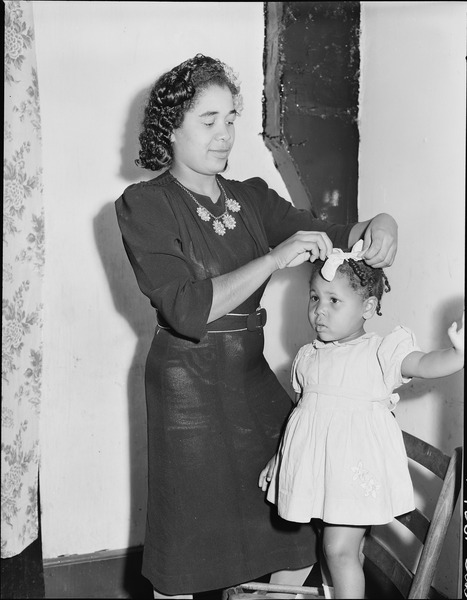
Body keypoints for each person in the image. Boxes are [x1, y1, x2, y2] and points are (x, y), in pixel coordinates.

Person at [115, 54, 400, 599]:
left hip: (249, 374)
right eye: (208, 121)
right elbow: (186, 307)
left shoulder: (249, 197)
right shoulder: (144, 204)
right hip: (184, 385)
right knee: (188, 540)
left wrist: (379, 223)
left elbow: (333, 233)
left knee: (290, 523)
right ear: (170, 129)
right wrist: (274, 258)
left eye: (231, 119)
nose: (224, 135)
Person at [260, 242, 464, 599]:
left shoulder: (379, 352)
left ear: (367, 307)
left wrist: (456, 355)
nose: (319, 311)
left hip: (352, 475)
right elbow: (301, 414)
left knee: (339, 552)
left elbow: (423, 364)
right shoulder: (308, 355)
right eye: (314, 298)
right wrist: (279, 457)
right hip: (324, 476)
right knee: (341, 551)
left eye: (334, 301)